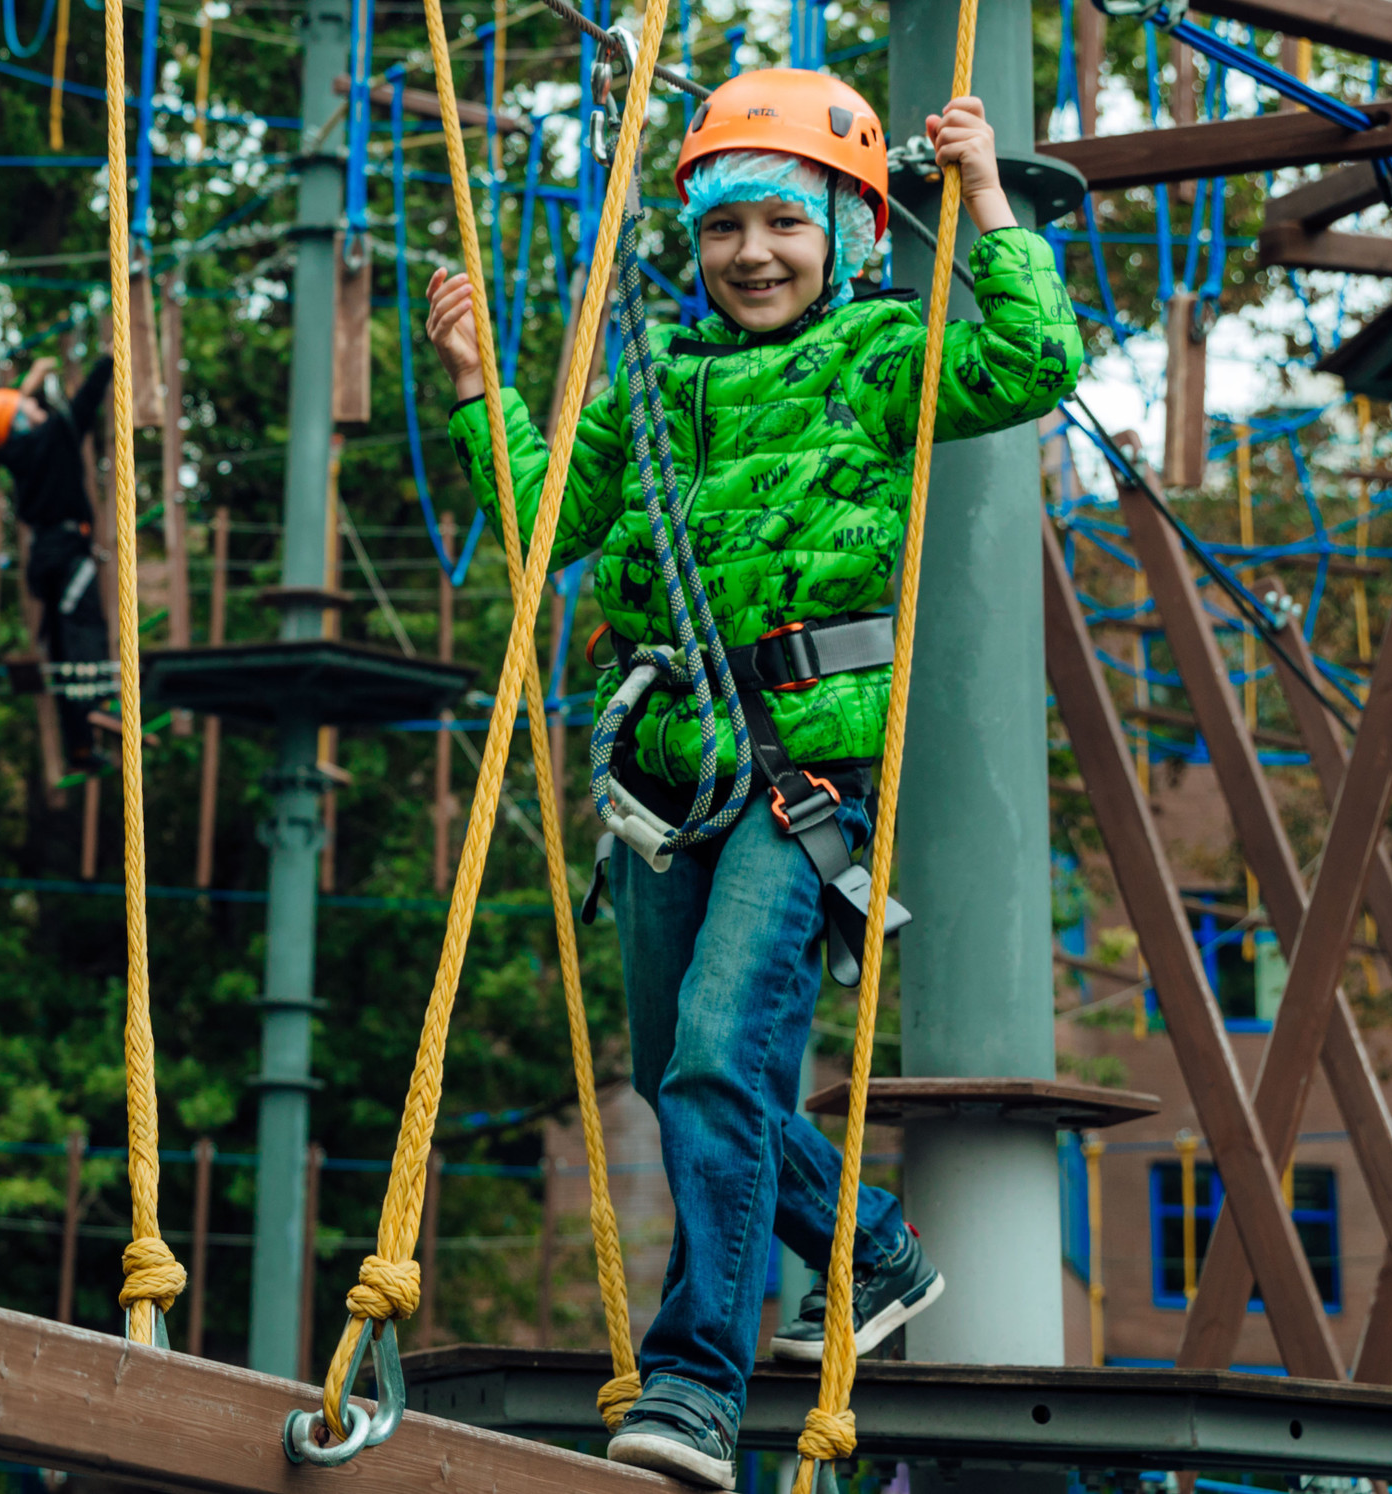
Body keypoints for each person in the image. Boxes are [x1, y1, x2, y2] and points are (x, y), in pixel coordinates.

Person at [425, 72, 1081, 1489]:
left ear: (846, 232)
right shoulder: (655, 378)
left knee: (721, 1052)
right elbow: (551, 525)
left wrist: (981, 201)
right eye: (727, 230)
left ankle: (695, 1387)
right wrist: (484, 394)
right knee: (682, 1078)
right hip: (664, 782)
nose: (754, 256)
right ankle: (876, 1251)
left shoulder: (877, 355)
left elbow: (1031, 366)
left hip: (801, 775)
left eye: (786, 223)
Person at [0, 352, 115, 769]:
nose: (37, 406)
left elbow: (4, 416)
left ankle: (81, 746)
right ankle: (99, 707)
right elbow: (86, 400)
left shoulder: (14, 454)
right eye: (30, 406)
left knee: (61, 649)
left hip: (45, 557)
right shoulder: (56, 436)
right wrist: (108, 358)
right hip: (68, 553)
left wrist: (32, 380)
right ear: (20, 420)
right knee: (84, 631)